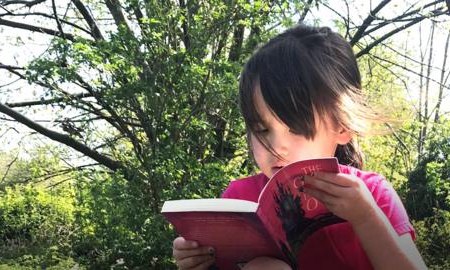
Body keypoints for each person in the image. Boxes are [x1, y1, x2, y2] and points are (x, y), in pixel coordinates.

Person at [172, 25, 427, 270]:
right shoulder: (239, 199)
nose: (277, 147)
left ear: (341, 127)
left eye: (295, 127)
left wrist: (365, 218)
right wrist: (197, 263)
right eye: (262, 130)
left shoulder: (372, 194)